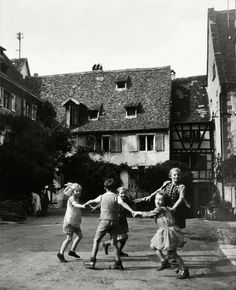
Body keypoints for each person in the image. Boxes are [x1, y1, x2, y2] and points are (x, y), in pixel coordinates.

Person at [133, 192, 190, 279]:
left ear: (164, 201)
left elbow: (149, 214)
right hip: (165, 231)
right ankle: (164, 262)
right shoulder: (166, 208)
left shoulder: (160, 209)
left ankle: (184, 269)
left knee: (173, 253)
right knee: (153, 246)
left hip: (168, 232)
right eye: (156, 199)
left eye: (160, 199)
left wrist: (138, 213)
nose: (158, 201)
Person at [84, 178, 135, 270]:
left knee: (96, 240)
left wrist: (85, 204)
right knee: (114, 242)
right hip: (115, 221)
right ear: (115, 188)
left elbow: (92, 201)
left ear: (105, 188)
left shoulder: (102, 196)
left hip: (104, 221)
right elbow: (123, 203)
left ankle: (92, 262)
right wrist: (132, 211)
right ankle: (118, 263)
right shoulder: (116, 196)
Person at [57, 183, 85, 263]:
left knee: (80, 236)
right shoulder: (71, 198)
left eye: (80, 191)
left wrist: (79, 219)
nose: (79, 192)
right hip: (69, 222)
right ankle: (60, 253)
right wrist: (83, 206)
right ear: (73, 191)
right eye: (77, 191)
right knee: (69, 238)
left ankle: (72, 251)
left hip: (75, 222)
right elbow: (75, 205)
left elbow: (77, 210)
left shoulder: (77, 198)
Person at [101, 187, 132, 257]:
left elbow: (133, 201)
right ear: (118, 194)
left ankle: (119, 251)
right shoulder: (116, 199)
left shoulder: (126, 199)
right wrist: (96, 207)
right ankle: (106, 244)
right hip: (117, 220)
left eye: (124, 193)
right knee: (124, 236)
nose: (123, 194)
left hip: (123, 220)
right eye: (121, 193)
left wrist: (144, 199)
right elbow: (106, 203)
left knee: (124, 238)